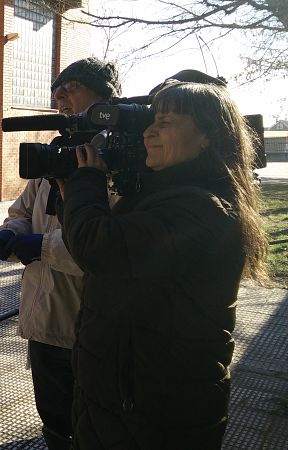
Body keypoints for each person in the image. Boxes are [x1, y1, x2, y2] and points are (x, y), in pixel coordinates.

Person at [60, 81, 269, 448]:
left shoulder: (202, 210)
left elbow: (99, 247)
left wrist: (87, 182)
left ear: (208, 137)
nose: (149, 132)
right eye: (151, 121)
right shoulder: (160, 196)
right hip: (123, 399)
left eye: (166, 122)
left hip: (156, 412)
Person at [0, 57, 121, 450]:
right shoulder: (55, 154)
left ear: (104, 99)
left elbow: (107, 246)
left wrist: (43, 248)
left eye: (72, 86)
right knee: (55, 423)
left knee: (93, 427)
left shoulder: (119, 162)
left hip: (90, 327)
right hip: (43, 322)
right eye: (56, 89)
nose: (58, 96)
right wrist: (9, 233)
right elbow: (23, 210)